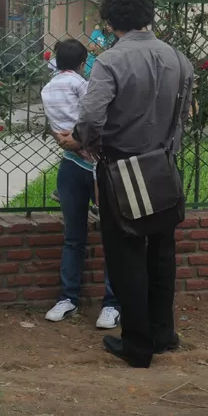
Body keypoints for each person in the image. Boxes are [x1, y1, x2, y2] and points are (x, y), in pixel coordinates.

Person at [57, 0, 193, 369]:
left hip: (121, 169)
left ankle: (137, 344)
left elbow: (92, 116)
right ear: (148, 15)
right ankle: (163, 333)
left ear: (109, 21)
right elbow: (182, 115)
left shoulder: (110, 61)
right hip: (164, 166)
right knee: (162, 251)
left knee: (126, 254)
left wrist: (79, 141)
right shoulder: (179, 58)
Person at [41, 39, 120, 328]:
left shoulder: (49, 87)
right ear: (82, 62)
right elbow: (95, 116)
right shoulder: (83, 85)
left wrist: (69, 139)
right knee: (74, 235)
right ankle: (68, 297)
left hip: (96, 164)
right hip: (77, 165)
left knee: (111, 235)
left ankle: (112, 303)